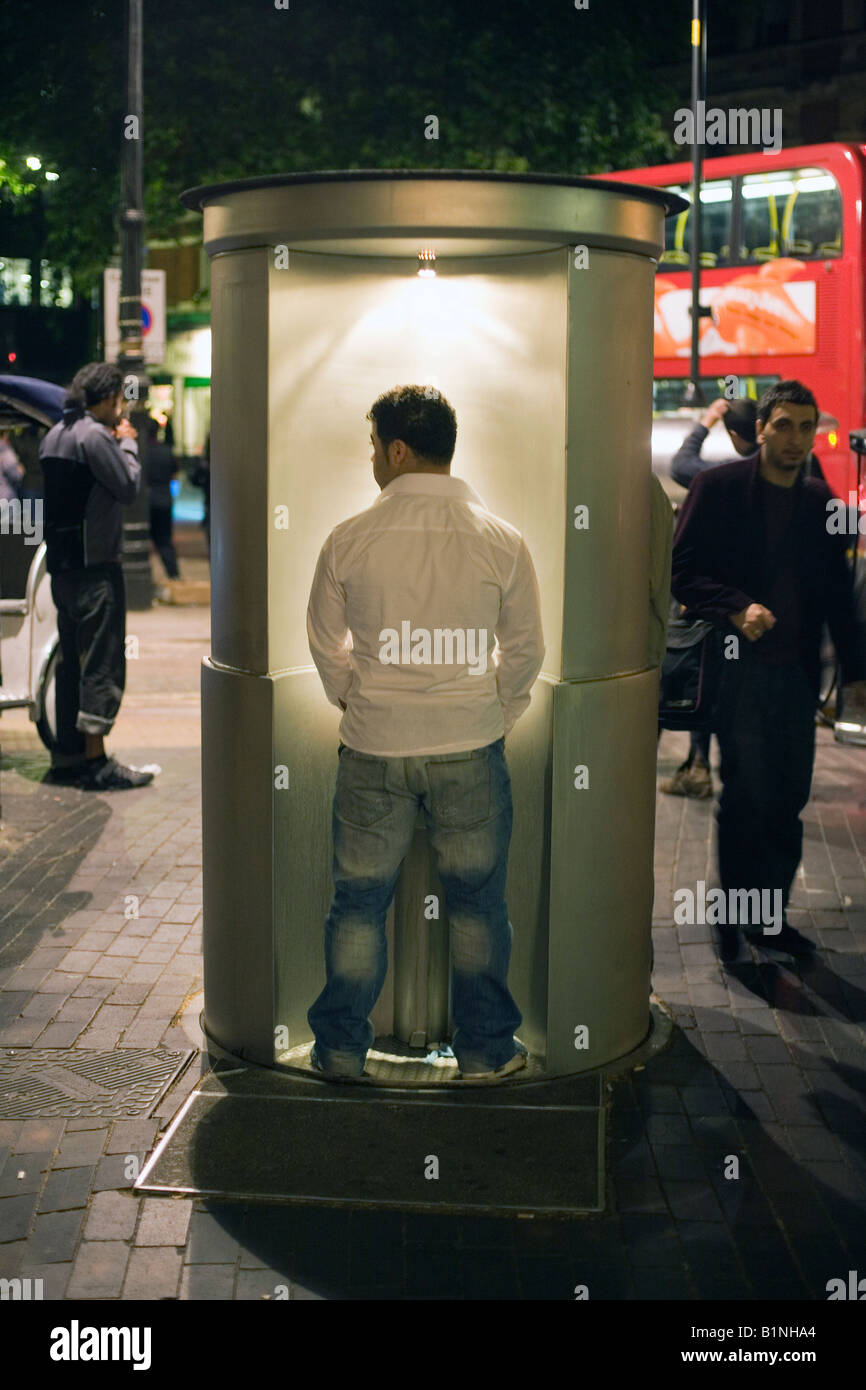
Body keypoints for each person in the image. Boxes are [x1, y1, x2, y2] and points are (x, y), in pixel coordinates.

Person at [306, 384, 545, 1082]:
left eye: (374, 444)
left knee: (357, 905)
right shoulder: (502, 540)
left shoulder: (349, 538)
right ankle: (483, 1055)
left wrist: (361, 700)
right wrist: (492, 713)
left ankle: (342, 1052)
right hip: (469, 746)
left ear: (399, 449)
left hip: (374, 749)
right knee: (477, 906)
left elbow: (326, 645)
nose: (371, 457)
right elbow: (526, 651)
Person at [671, 380, 866, 963]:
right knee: (747, 795)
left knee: (788, 796)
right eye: (784, 425)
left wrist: (855, 677)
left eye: (806, 428)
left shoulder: (822, 507)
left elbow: (839, 596)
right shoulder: (718, 488)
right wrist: (736, 605)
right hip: (738, 670)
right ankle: (734, 917)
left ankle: (770, 918)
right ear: (760, 429)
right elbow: (682, 573)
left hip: (797, 677)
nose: (795, 439)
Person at [38, 362, 155, 791]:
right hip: (96, 569)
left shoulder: (54, 435)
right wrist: (126, 444)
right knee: (101, 663)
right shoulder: (94, 436)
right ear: (107, 399)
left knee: (71, 663)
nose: (121, 410)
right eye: (120, 402)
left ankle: (67, 756)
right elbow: (127, 486)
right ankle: (96, 762)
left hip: (63, 570)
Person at [661, 397, 758, 798]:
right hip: (755, 608)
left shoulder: (727, 474)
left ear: (735, 436)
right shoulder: (783, 474)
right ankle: (710, 765)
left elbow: (681, 465)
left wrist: (706, 421)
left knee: (703, 673)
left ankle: (700, 766)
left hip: (722, 606)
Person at [145, 417, 180, 583]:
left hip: (145, 502)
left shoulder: (141, 451)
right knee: (165, 541)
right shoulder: (165, 450)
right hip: (164, 500)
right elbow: (174, 474)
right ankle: (174, 576)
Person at [0, 430, 24, 502]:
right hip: (5, 496)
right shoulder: (6, 451)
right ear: (5, 434)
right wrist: (20, 470)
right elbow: (16, 475)